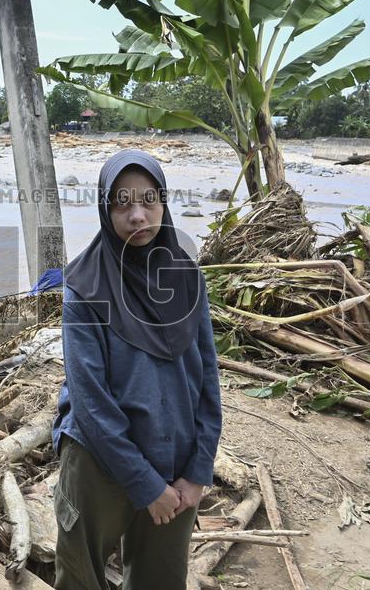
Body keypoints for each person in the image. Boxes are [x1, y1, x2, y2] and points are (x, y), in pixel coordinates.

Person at [53, 149, 222, 590]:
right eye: (122, 203)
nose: (137, 215)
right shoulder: (84, 287)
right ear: (104, 209)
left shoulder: (187, 277)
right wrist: (145, 483)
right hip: (99, 462)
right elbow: (90, 401)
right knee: (80, 577)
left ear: (164, 202)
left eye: (149, 200)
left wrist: (198, 470)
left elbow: (208, 380)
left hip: (177, 459)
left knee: (161, 581)